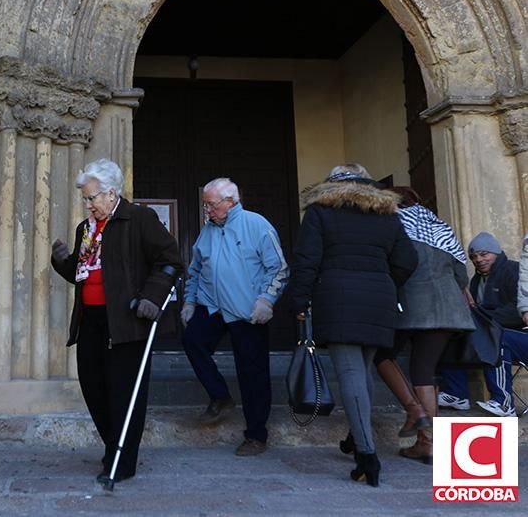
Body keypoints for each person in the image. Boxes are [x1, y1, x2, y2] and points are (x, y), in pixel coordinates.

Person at [51, 158, 183, 484]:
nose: (88, 204)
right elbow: (85, 275)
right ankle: (114, 444)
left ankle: (122, 460)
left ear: (111, 194)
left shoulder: (138, 218)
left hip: (127, 321)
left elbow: (169, 260)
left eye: (92, 197)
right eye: (84, 198)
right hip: (91, 320)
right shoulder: (86, 229)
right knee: (93, 386)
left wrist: (152, 297)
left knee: (124, 392)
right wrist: (62, 262)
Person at [289, 164, 417, 487]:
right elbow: (407, 259)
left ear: (331, 183)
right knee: (363, 370)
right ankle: (355, 437)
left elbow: (307, 259)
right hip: (378, 298)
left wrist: (300, 301)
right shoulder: (386, 213)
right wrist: (384, 281)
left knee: (350, 373)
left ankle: (367, 456)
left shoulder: (320, 211)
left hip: (337, 296)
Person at [181, 177, 289, 457]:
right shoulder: (208, 230)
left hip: (247, 311)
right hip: (212, 307)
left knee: (252, 373)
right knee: (192, 340)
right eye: (205, 205)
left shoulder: (257, 224)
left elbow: (278, 268)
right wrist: (189, 302)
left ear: (231, 201)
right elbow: (195, 270)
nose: (207, 210)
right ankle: (220, 396)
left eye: (212, 205)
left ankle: (256, 434)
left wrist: (266, 300)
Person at [376, 187, 474, 464]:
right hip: (448, 307)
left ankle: (418, 417)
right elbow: (460, 274)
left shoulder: (394, 226)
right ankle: (428, 441)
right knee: (424, 371)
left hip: (411, 305)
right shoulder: (440, 226)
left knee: (381, 354)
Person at [438, 232, 521, 416]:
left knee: (498, 338)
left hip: (521, 335)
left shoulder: (513, 271)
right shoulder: (476, 280)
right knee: (453, 332)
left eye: (484, 254)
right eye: (474, 257)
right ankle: (456, 394)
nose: (479, 260)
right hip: (497, 330)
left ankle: (504, 403)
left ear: (496, 253)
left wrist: (482, 317)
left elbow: (518, 311)